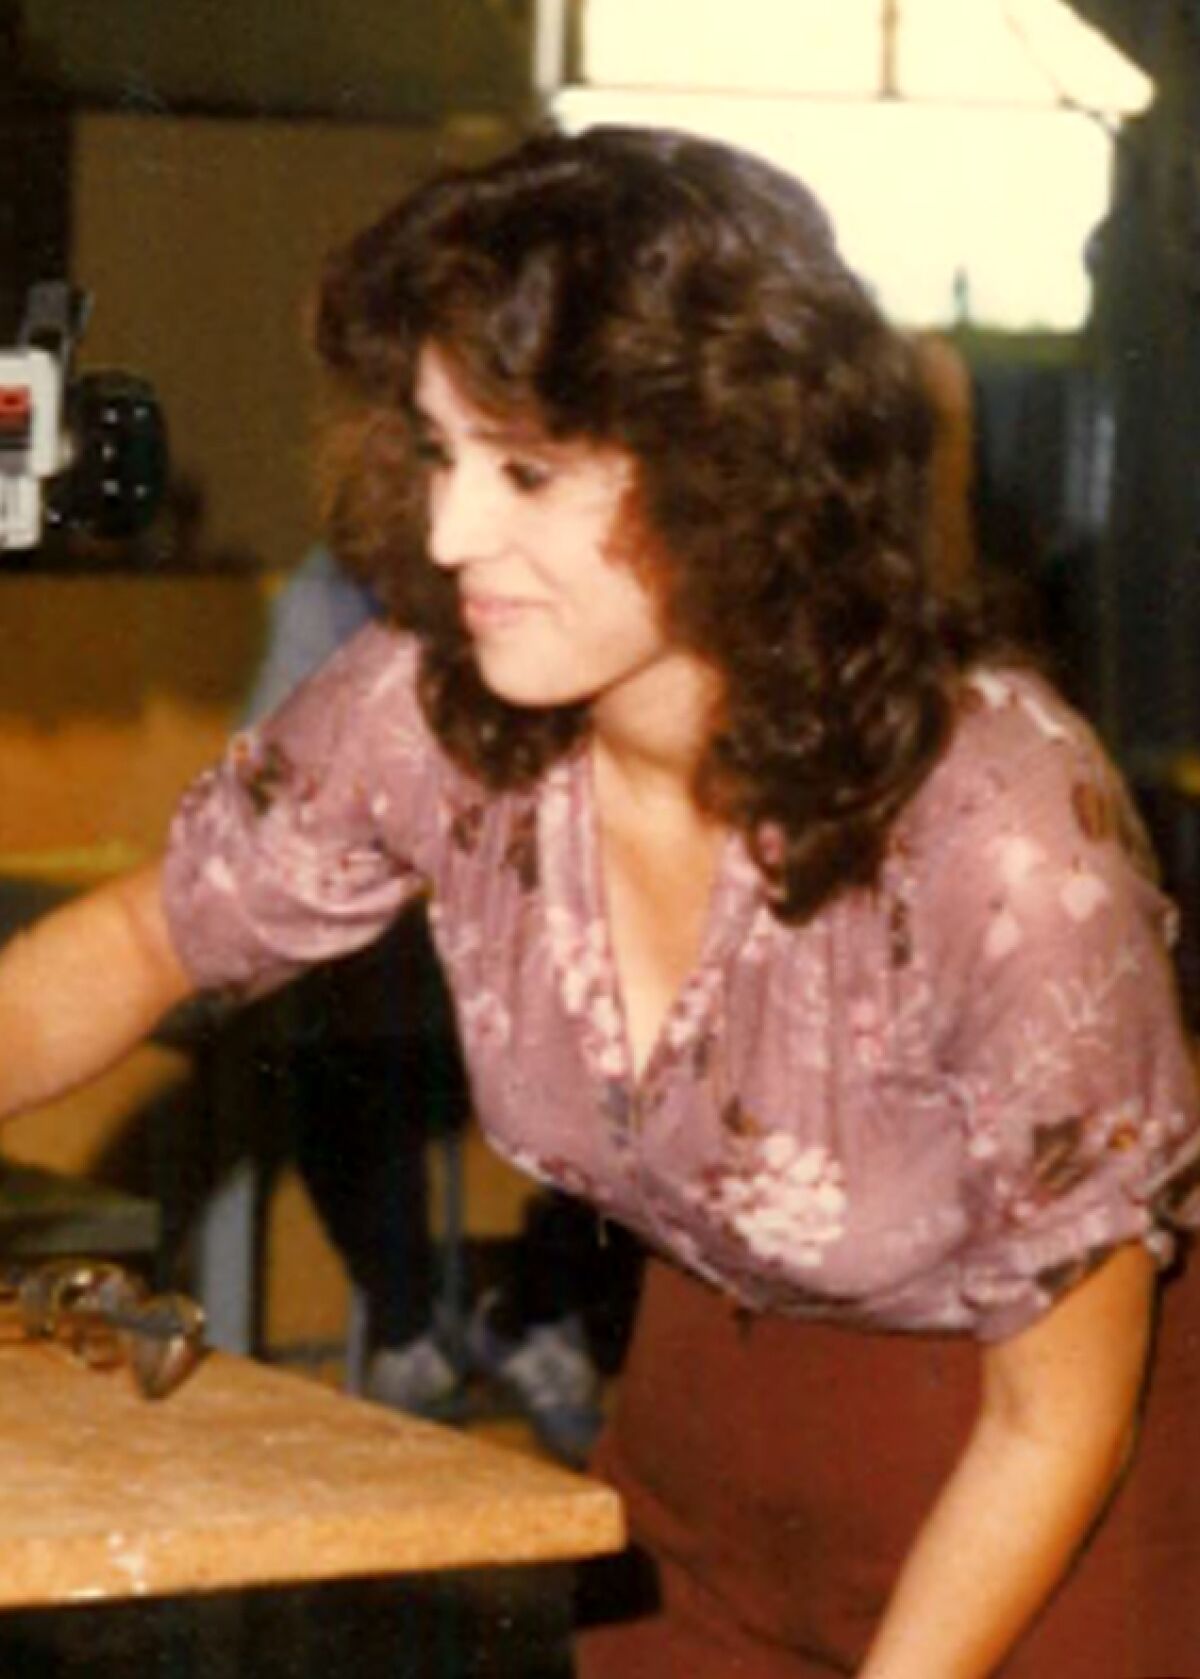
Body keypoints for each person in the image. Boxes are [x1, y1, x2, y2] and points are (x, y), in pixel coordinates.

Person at [2, 126, 1199, 1676]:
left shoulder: (999, 825)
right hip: (696, 1431)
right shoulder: (434, 714)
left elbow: (1060, 1416)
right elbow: (140, 937)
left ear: (733, 470)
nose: (445, 536)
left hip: (1039, 1483)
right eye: (439, 453)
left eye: (526, 471)